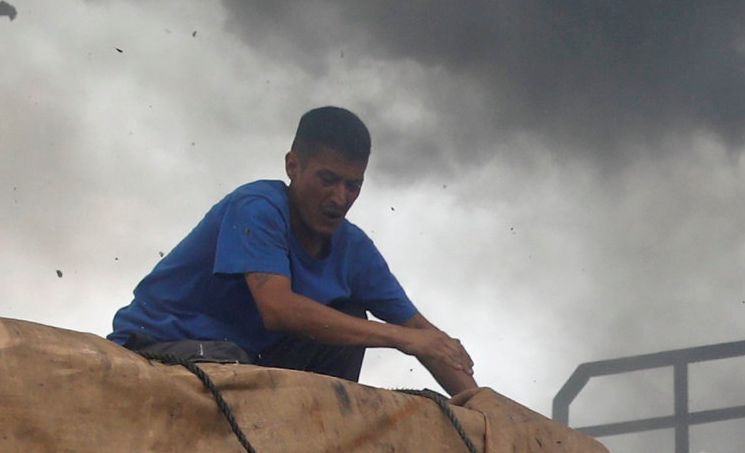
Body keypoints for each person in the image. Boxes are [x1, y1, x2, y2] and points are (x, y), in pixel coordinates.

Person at [109, 107, 476, 400]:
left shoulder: (355, 250)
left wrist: (484, 404)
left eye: (354, 185)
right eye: (328, 179)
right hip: (159, 344)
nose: (340, 198)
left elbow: (426, 338)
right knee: (233, 366)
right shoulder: (257, 207)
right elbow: (278, 309)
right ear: (293, 166)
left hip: (243, 360)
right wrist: (401, 339)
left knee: (346, 317)